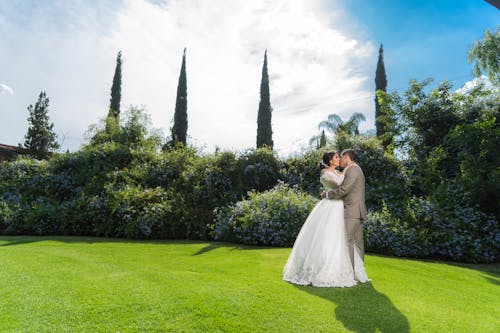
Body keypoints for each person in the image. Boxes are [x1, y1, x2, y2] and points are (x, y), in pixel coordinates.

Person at [283, 151, 361, 287]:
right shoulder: (326, 172)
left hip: (339, 207)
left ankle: (343, 268)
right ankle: (319, 268)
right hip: (330, 208)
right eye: (336, 157)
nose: (339, 159)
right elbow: (338, 185)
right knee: (326, 237)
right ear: (331, 160)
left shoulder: (338, 172)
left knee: (340, 238)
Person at [322, 149, 369, 283]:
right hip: (357, 210)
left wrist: (327, 194)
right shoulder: (352, 169)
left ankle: (349, 273)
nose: (340, 160)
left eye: (341, 157)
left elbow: (344, 190)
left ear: (346, 157)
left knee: (347, 239)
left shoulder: (353, 169)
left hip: (352, 210)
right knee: (357, 243)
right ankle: (358, 273)